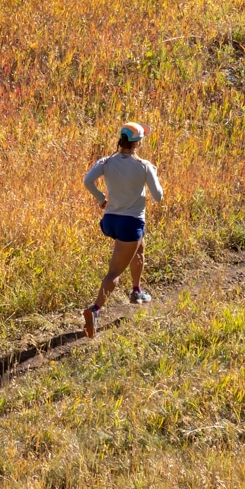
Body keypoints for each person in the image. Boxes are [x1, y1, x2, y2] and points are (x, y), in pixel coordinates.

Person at [83, 121, 164, 338]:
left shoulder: (106, 161)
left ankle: (137, 291)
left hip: (110, 220)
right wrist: (154, 174)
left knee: (140, 249)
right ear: (138, 143)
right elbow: (158, 196)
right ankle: (95, 310)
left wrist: (102, 198)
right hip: (130, 223)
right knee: (114, 272)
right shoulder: (145, 166)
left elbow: (88, 181)